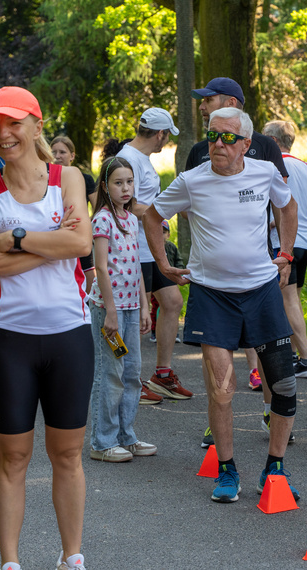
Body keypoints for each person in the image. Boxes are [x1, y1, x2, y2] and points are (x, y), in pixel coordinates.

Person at [0, 86, 93, 570]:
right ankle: (11, 562)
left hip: (69, 335)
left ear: (37, 125)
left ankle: (72, 557)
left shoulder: (69, 177)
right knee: (13, 459)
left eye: (13, 123)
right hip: (9, 340)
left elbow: (81, 245)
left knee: (68, 454)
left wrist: (16, 239)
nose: (3, 134)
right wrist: (50, 242)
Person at [144, 107, 300, 503]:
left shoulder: (264, 172)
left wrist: (285, 253)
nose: (218, 143)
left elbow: (288, 206)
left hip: (262, 289)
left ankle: (275, 469)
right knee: (223, 387)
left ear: (246, 144)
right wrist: (163, 265)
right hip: (213, 294)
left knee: (283, 383)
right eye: (213, 136)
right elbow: (152, 216)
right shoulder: (191, 181)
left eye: (228, 137)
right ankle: (227, 470)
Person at [187, 77, 291, 448]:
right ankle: (215, 425)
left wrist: (286, 252)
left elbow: (284, 199)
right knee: (219, 374)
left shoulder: (264, 147)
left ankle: (268, 409)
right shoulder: (199, 154)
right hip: (211, 285)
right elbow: (181, 205)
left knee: (272, 364)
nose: (202, 106)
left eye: (208, 100)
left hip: (258, 274)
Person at [116, 108, 191, 401]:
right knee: (137, 320)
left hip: (151, 247)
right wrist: (157, 214)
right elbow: (126, 204)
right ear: (160, 133)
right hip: (132, 250)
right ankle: (126, 380)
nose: (166, 140)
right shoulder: (127, 159)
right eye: (167, 135)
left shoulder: (142, 159)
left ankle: (162, 375)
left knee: (172, 302)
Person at [87, 156, 155, 461]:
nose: (125, 188)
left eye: (129, 182)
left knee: (131, 373)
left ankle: (127, 436)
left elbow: (136, 266)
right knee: (110, 372)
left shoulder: (131, 219)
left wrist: (144, 306)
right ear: (105, 186)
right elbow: (100, 267)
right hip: (109, 309)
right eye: (118, 182)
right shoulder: (102, 219)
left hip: (130, 308)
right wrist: (111, 311)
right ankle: (102, 442)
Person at [263, 120, 307, 379]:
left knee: (288, 299)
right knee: (292, 299)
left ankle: (306, 359)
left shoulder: (272, 166)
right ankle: (289, 352)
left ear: (274, 142)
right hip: (304, 242)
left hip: (282, 241)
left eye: (265, 140)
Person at [149, 220, 184, 344]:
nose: (160, 235)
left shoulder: (171, 247)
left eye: (163, 232)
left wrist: (179, 271)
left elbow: (178, 260)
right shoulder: (150, 247)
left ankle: (173, 333)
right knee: (156, 307)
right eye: (157, 232)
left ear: (168, 234)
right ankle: (154, 331)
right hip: (155, 279)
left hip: (170, 279)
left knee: (172, 305)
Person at [51, 135, 96, 201]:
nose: (57, 156)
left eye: (62, 152)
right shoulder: (45, 179)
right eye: (53, 152)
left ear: (72, 156)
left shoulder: (86, 179)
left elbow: (97, 208)